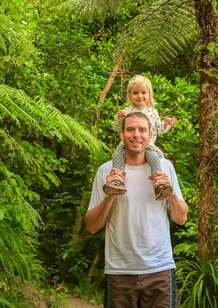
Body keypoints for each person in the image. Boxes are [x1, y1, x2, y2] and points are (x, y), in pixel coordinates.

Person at [86, 111, 188, 307]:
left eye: (142, 130)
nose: (136, 135)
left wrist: (171, 194)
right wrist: (110, 195)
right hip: (120, 271)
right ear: (121, 135)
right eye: (130, 129)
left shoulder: (164, 168)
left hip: (159, 268)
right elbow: (91, 226)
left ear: (151, 135)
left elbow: (181, 218)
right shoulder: (106, 171)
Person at [103, 75, 176, 200]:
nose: (140, 96)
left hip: (148, 145)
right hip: (127, 145)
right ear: (130, 95)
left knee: (154, 157)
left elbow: (159, 129)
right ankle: (117, 182)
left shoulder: (153, 112)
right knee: (117, 155)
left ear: (149, 94)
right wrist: (118, 117)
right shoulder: (126, 111)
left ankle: (159, 185)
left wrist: (166, 124)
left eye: (143, 92)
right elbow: (116, 127)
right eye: (135, 93)